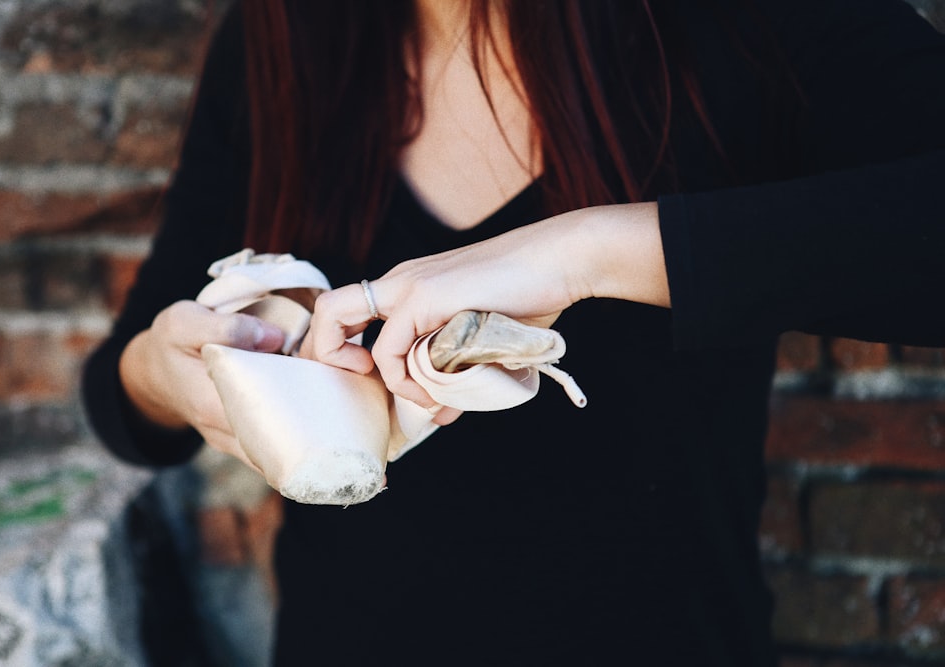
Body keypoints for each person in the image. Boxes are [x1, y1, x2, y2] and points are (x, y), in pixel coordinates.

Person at [82, 0, 945, 664]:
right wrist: (164, 373)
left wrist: (594, 250)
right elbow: (123, 400)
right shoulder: (282, 41)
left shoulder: (737, 23)